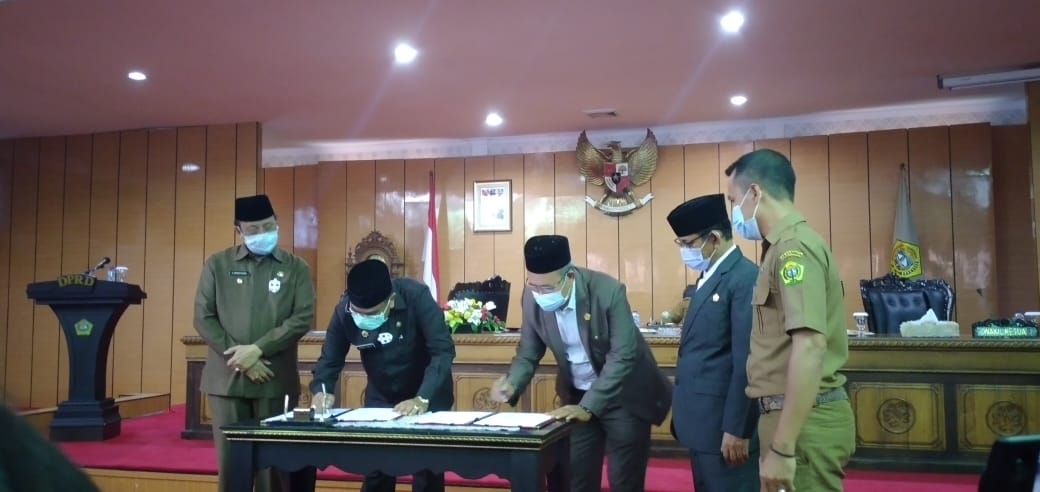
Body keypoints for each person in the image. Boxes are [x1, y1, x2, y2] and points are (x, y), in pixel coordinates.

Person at [491, 235, 673, 492]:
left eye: (548, 288)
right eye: (534, 286)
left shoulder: (608, 291)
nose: (540, 294)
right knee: (577, 477)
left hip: (625, 395)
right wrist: (512, 383)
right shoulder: (532, 297)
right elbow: (528, 351)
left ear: (570, 276)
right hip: (577, 396)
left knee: (624, 480)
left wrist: (589, 406)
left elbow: (623, 356)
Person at [724, 149, 855, 492]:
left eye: (733, 200)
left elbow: (810, 345)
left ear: (755, 193)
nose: (733, 212)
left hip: (802, 423)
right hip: (790, 417)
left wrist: (783, 448)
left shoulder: (793, 249)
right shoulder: (781, 247)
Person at [194, 194, 316, 492]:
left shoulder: (296, 267)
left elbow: (302, 318)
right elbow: (203, 318)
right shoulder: (217, 264)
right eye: (253, 229)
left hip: (273, 378)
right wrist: (243, 360)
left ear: (277, 223)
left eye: (268, 226)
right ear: (239, 231)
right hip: (227, 381)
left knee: (272, 470)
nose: (262, 233)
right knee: (231, 467)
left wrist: (258, 350)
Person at [311, 258, 455, 492]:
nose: (366, 319)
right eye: (360, 314)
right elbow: (329, 360)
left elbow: (442, 351)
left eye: (374, 313)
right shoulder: (344, 311)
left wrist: (422, 398)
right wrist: (322, 391)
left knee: (427, 467)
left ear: (391, 300)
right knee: (376, 467)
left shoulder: (416, 296)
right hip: (381, 394)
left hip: (427, 390)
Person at [667, 194, 760, 492]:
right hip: (702, 426)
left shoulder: (744, 278)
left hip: (725, 429)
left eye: (687, 244)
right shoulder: (708, 275)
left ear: (715, 238)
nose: (684, 251)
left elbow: (747, 360)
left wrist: (737, 428)